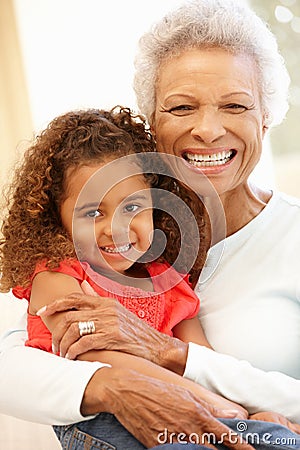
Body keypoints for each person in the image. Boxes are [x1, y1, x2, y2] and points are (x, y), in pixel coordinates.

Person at [0, 0, 300, 449]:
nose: (208, 130)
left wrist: (189, 367)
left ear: (266, 116)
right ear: (150, 126)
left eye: (235, 104)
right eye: (181, 108)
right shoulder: (78, 254)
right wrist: (116, 388)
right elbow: (9, 362)